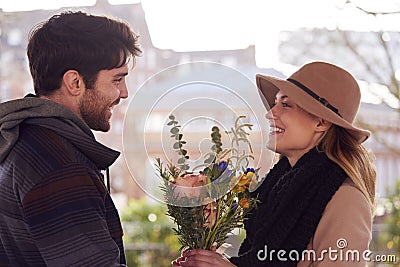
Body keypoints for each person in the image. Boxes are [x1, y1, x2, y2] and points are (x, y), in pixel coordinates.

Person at [174, 61, 376, 266]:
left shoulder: (345, 198)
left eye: (285, 104)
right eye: (275, 103)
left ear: (321, 122)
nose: (270, 113)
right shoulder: (277, 189)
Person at [0, 11, 141, 266]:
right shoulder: (60, 167)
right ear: (75, 82)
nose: (124, 92)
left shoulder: (21, 140)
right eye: (117, 79)